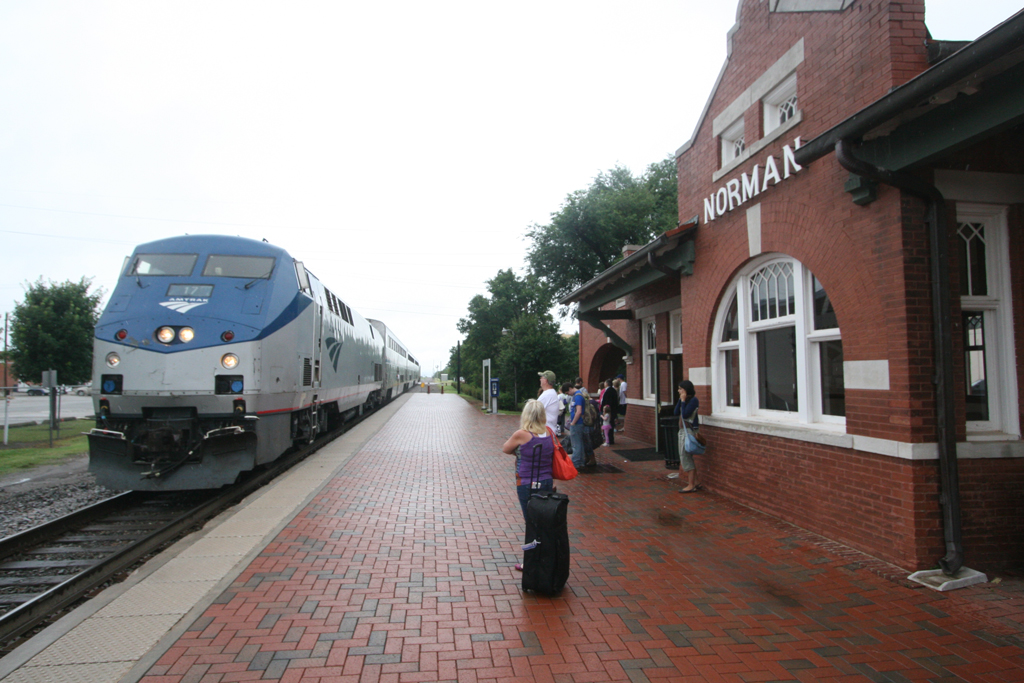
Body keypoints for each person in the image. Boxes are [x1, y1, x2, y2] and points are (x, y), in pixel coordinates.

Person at [502, 399, 555, 571]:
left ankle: (530, 561)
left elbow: (505, 448)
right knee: (543, 521)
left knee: (531, 523)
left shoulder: (522, 434)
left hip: (527, 483)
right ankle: (546, 557)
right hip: (546, 481)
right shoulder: (549, 432)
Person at [675, 380, 701, 493]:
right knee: (685, 456)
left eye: (681, 389)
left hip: (688, 431)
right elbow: (676, 412)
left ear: (686, 390)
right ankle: (695, 482)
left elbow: (685, 414)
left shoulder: (694, 401)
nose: (678, 391)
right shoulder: (683, 400)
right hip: (682, 431)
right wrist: (681, 400)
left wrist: (684, 401)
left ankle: (691, 484)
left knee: (685, 456)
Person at [567, 385, 587, 469]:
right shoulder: (578, 395)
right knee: (579, 443)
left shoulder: (577, 396)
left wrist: (573, 422)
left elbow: (578, 411)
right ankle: (581, 461)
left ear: (570, 388)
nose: (568, 394)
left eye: (567, 392)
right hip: (579, 423)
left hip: (577, 423)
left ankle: (575, 463)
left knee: (576, 444)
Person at [599, 378, 619, 445]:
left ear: (607, 383)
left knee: (608, 424)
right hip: (611, 410)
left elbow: (608, 402)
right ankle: (609, 439)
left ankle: (608, 440)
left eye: (605, 382)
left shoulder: (609, 391)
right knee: (610, 425)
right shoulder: (612, 390)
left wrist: (605, 409)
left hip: (609, 411)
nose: (604, 384)